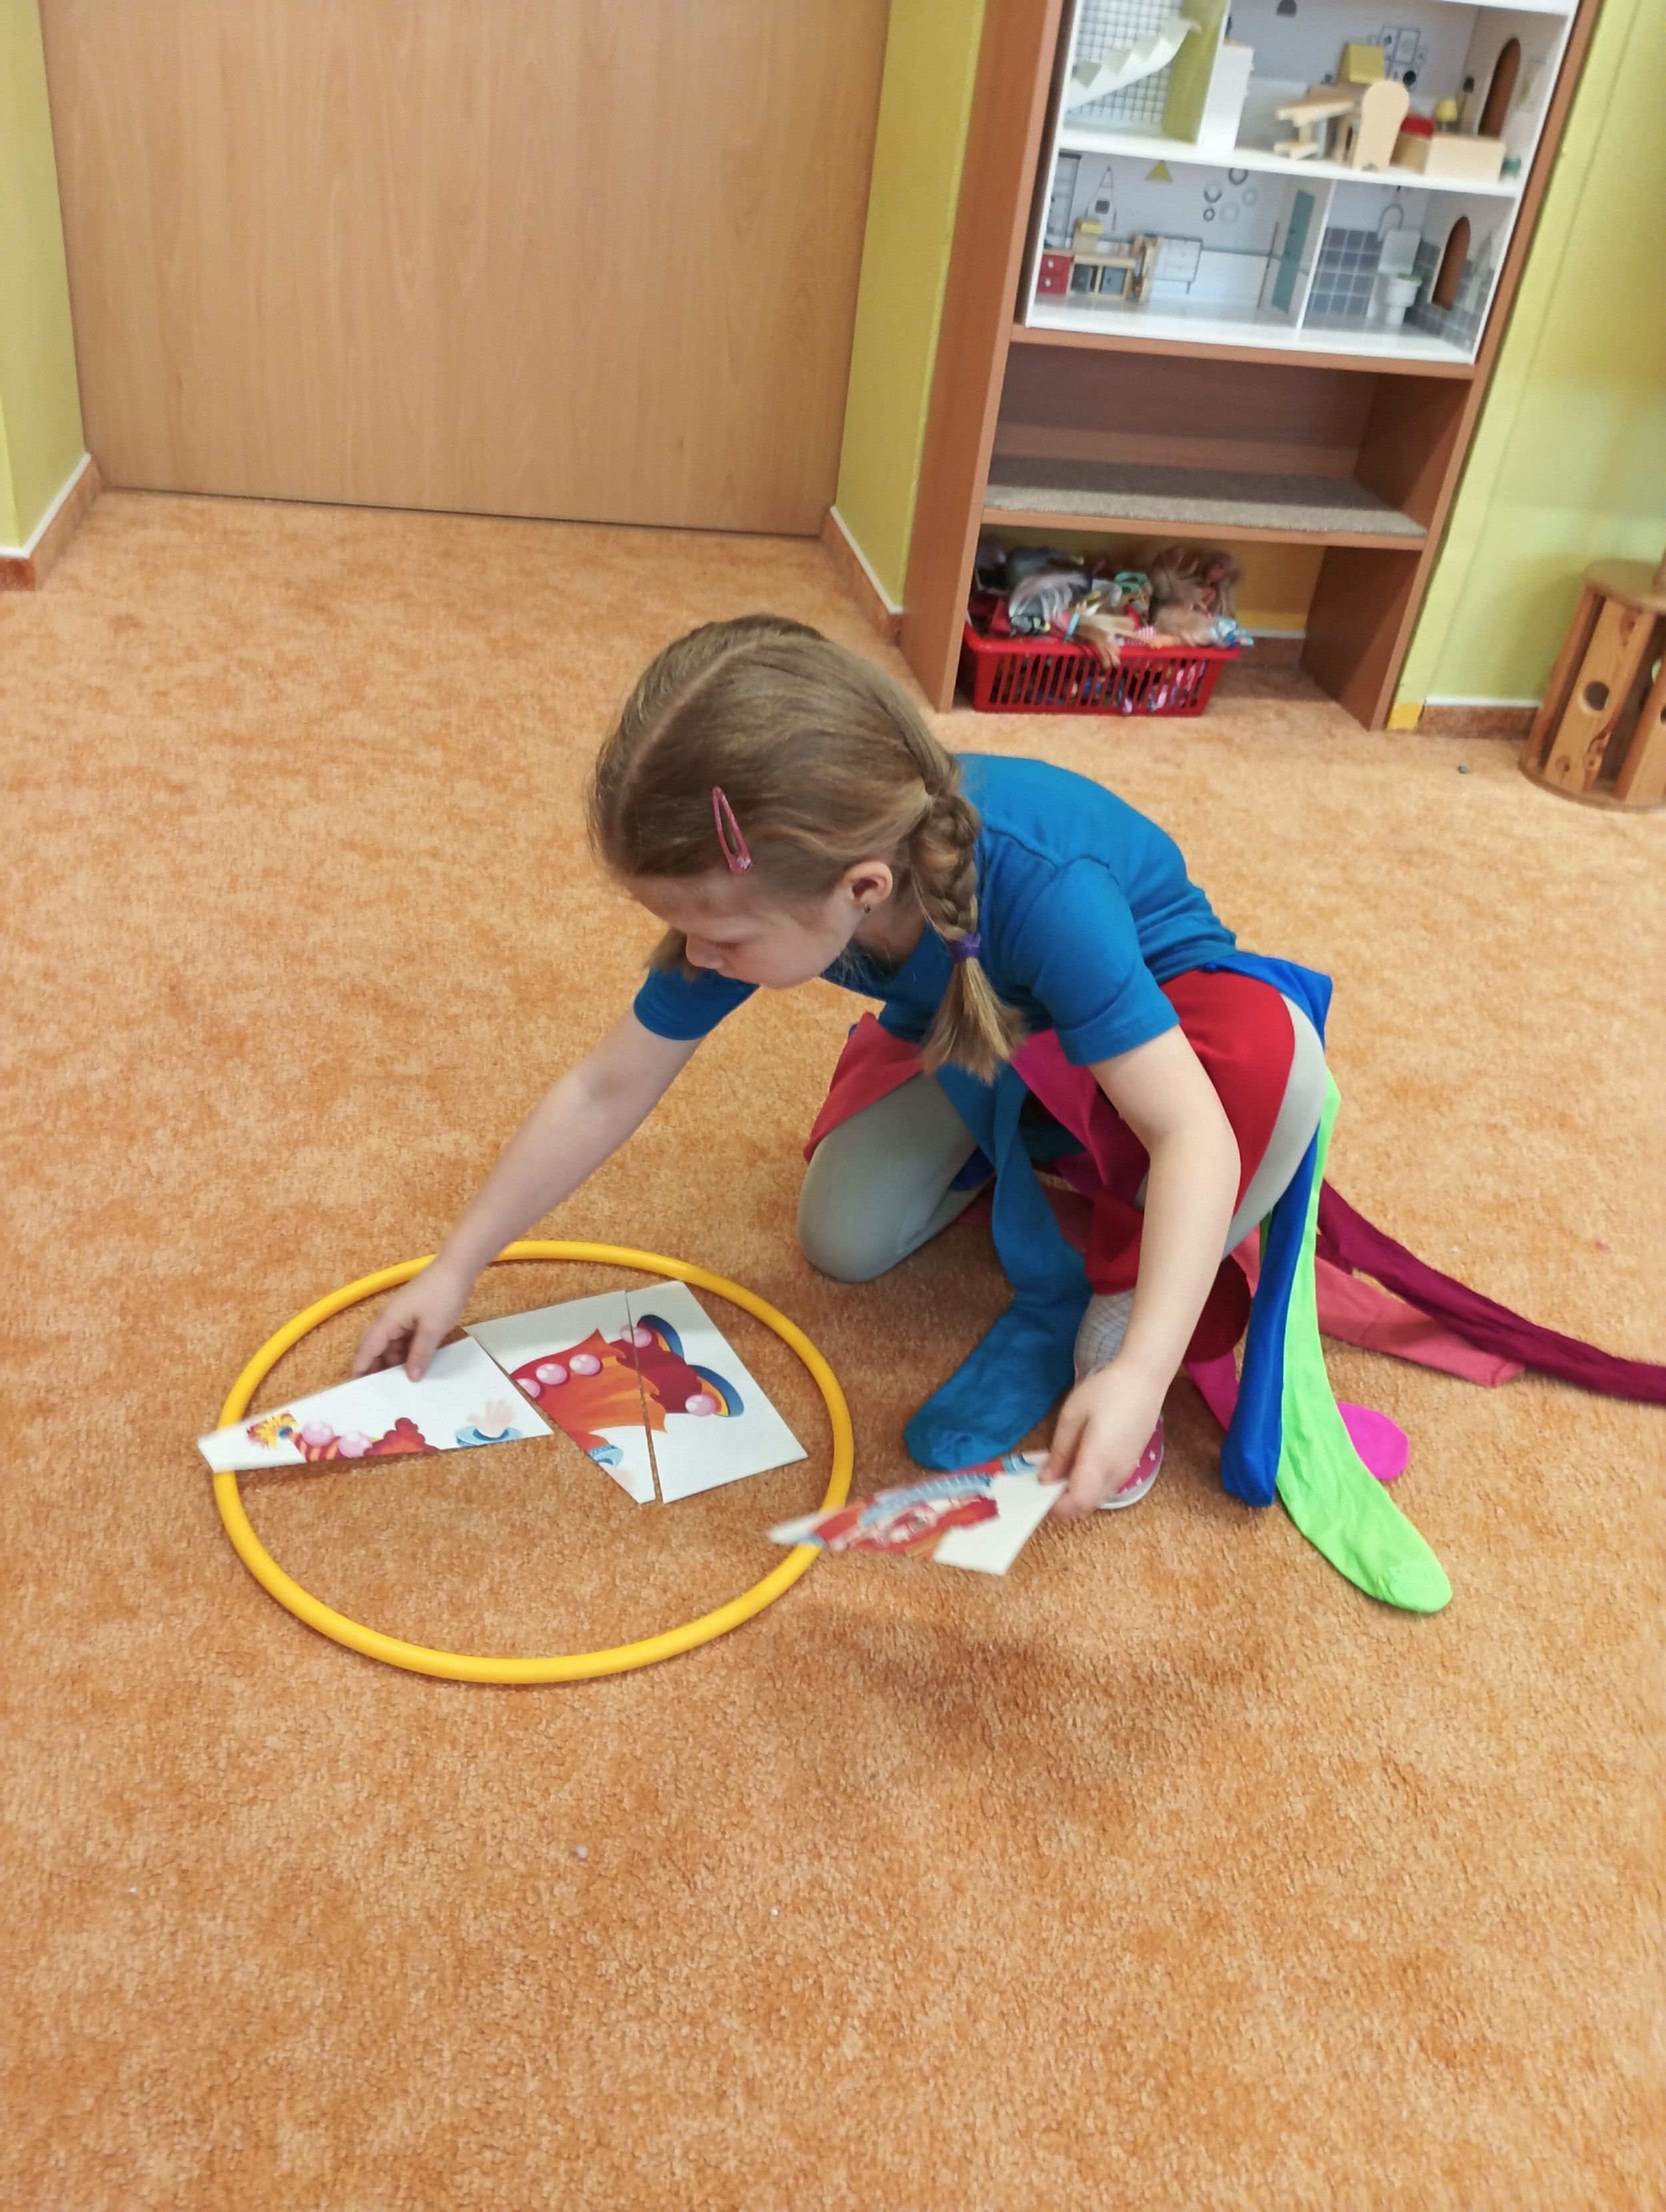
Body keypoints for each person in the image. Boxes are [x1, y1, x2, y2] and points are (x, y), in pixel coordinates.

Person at [353, 616, 1328, 1519]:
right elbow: (604, 1088)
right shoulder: (770, 893)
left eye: (721, 937)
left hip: (1178, 1031)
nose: (697, 956)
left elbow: (1190, 1133)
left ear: (861, 889)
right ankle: (1034, 1144)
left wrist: (1141, 1374)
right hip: (980, 1025)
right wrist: (456, 1267)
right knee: (844, 1236)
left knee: (1255, 1095)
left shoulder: (1046, 891)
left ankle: (1123, 1278)